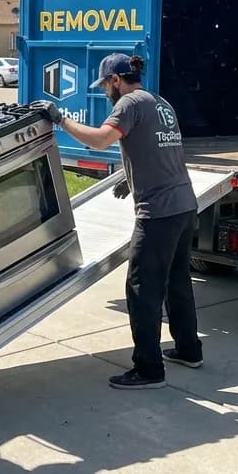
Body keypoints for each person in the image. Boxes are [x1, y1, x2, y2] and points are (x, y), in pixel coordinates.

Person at [31, 53, 202, 390]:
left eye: (106, 85)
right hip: (184, 206)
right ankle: (188, 349)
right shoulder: (159, 102)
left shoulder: (128, 104)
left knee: (141, 290)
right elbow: (161, 149)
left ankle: (149, 370)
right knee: (177, 282)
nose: (106, 92)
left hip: (159, 212)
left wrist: (59, 118)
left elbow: (99, 140)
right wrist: (130, 177)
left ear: (115, 80)